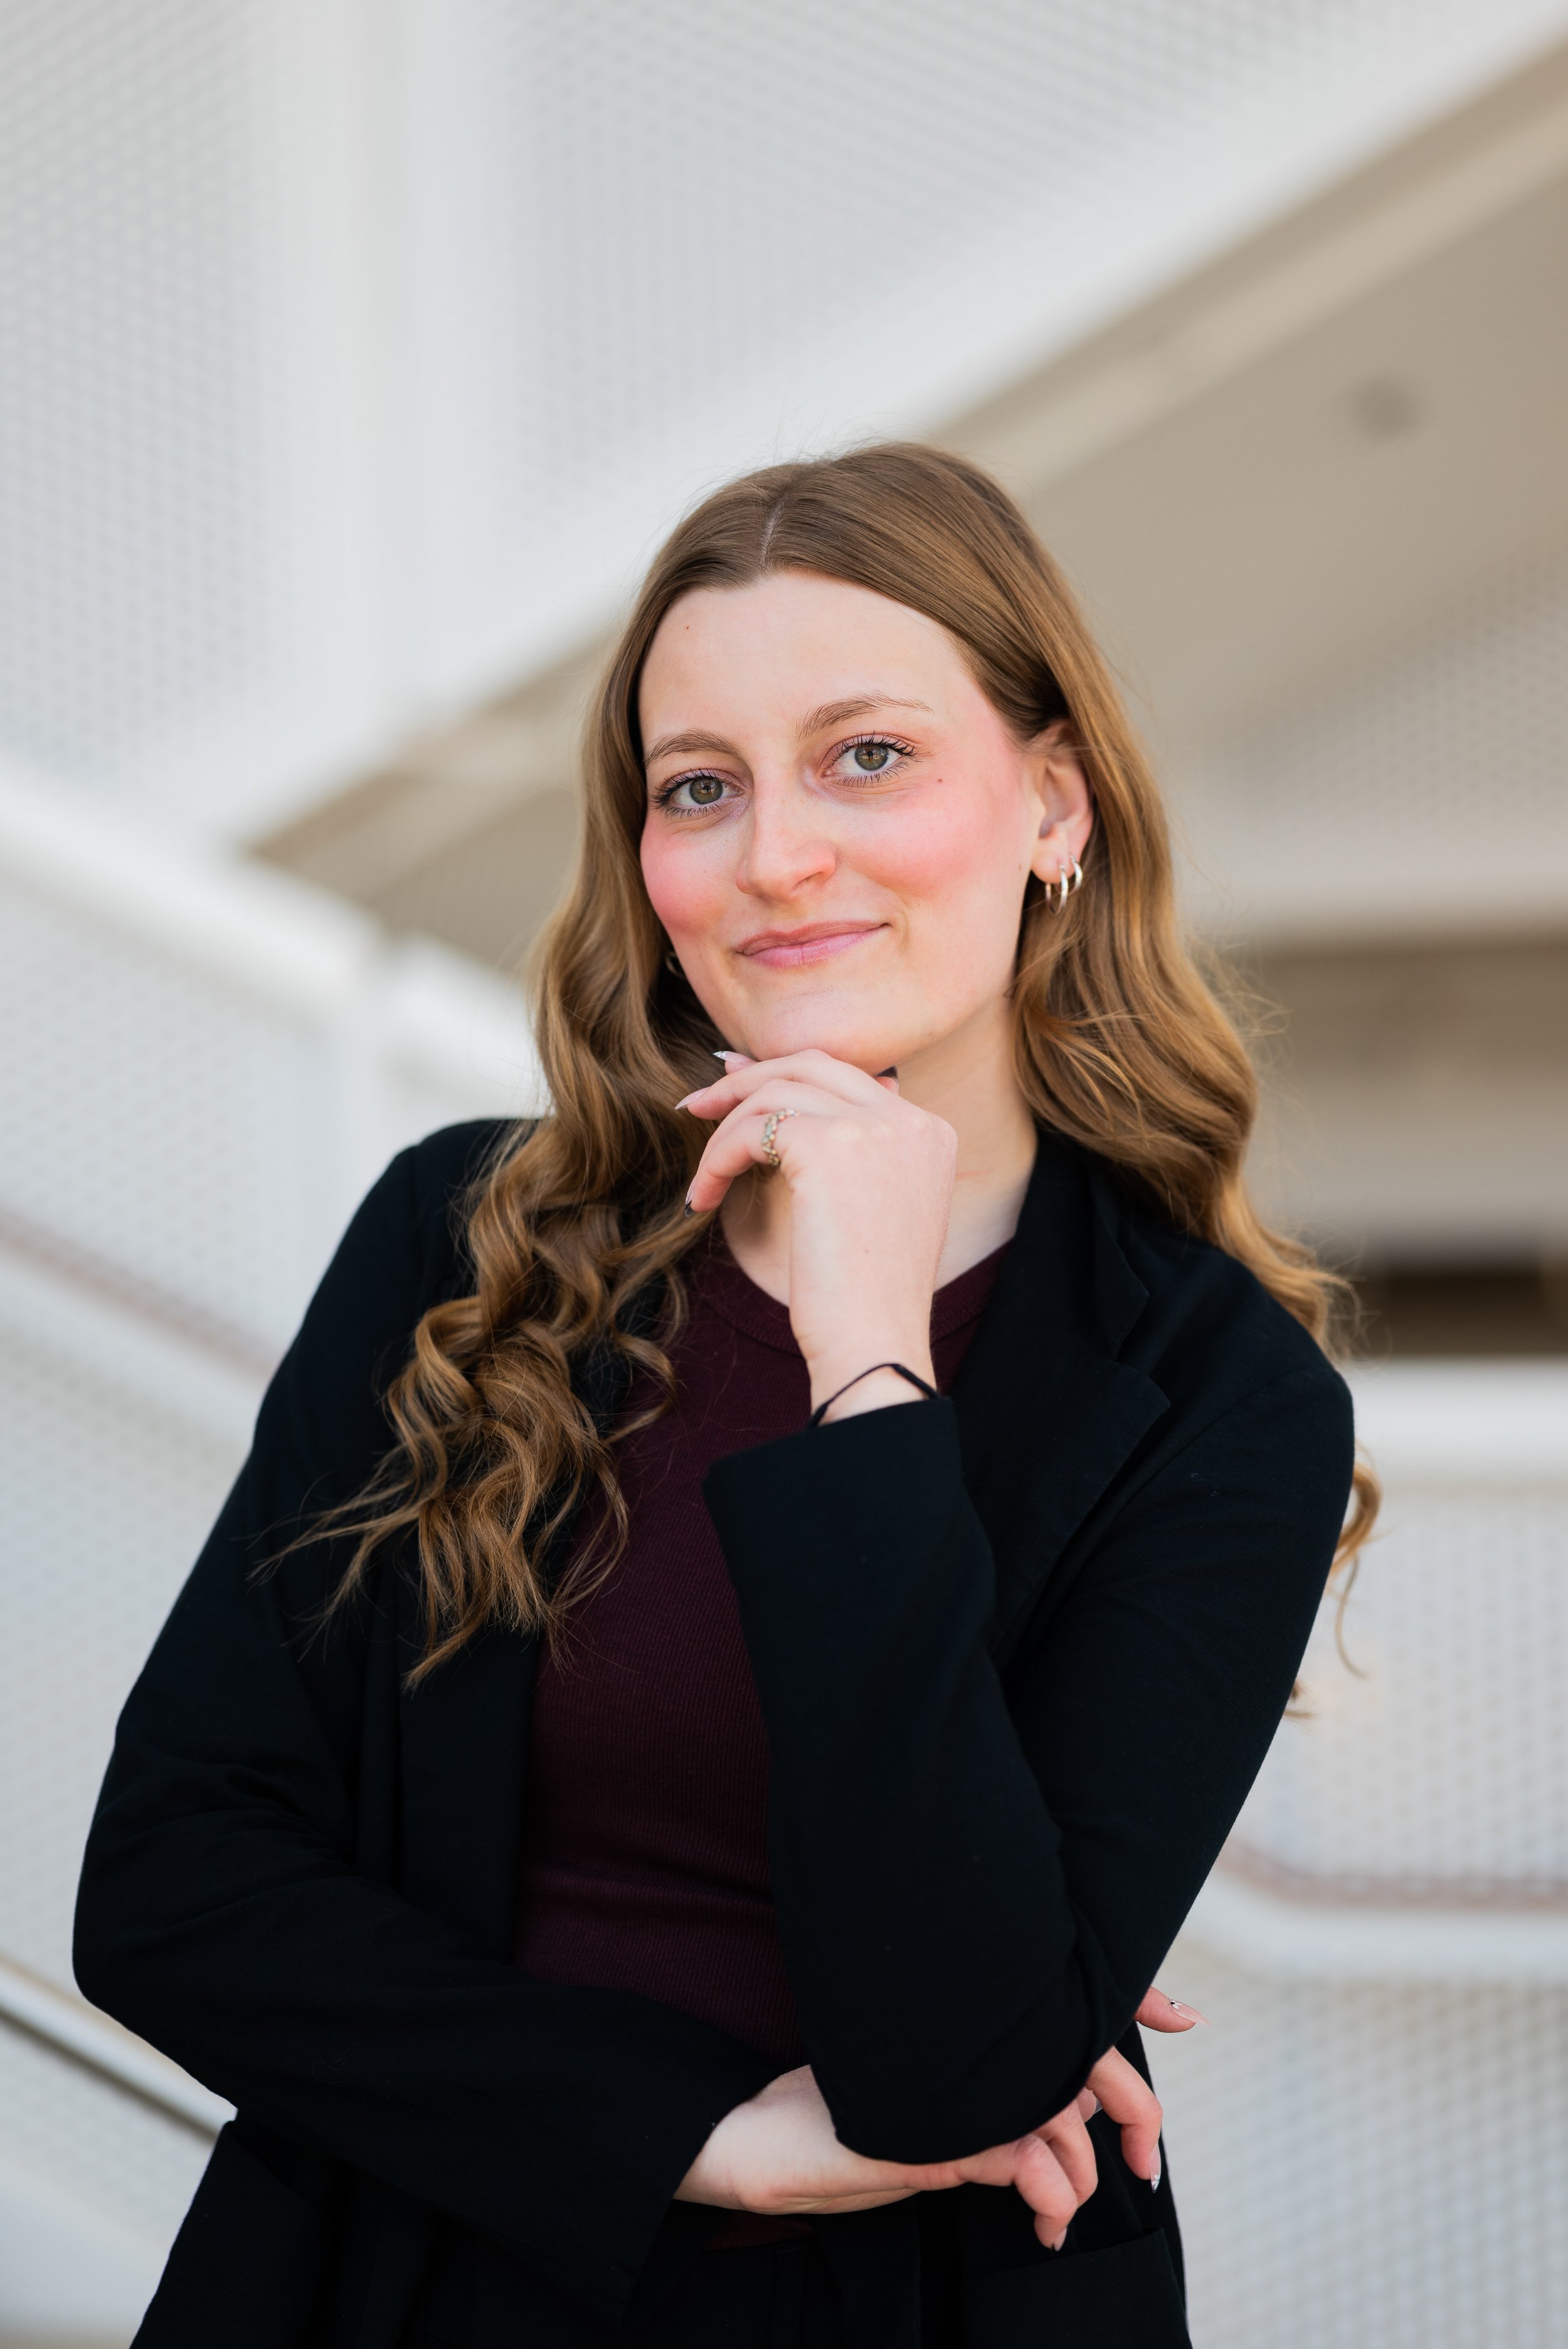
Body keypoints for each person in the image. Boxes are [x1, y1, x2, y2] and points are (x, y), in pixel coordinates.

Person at [75, 443, 1372, 2349]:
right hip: (387, 2283)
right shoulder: (461, 1239)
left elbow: (957, 2063)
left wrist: (867, 1360)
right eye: (702, 787)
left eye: (867, 756)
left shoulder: (1215, 1394)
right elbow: (175, 1891)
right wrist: (699, 2128)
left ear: (1053, 807)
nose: (776, 854)